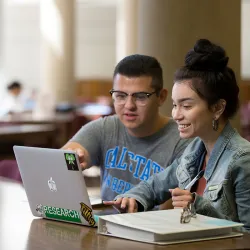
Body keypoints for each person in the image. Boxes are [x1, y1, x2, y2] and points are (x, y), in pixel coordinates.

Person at [105, 39, 250, 232]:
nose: (176, 114)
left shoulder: (243, 159)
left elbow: (247, 234)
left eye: (186, 106)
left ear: (217, 107)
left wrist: (198, 207)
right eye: (175, 105)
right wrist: (132, 198)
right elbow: (154, 185)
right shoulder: (194, 150)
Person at [63, 54, 191, 201]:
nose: (129, 105)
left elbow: (174, 207)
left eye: (141, 96)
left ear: (161, 97)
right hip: (107, 221)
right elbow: (64, 156)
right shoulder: (106, 128)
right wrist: (74, 157)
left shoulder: (182, 140)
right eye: (120, 95)